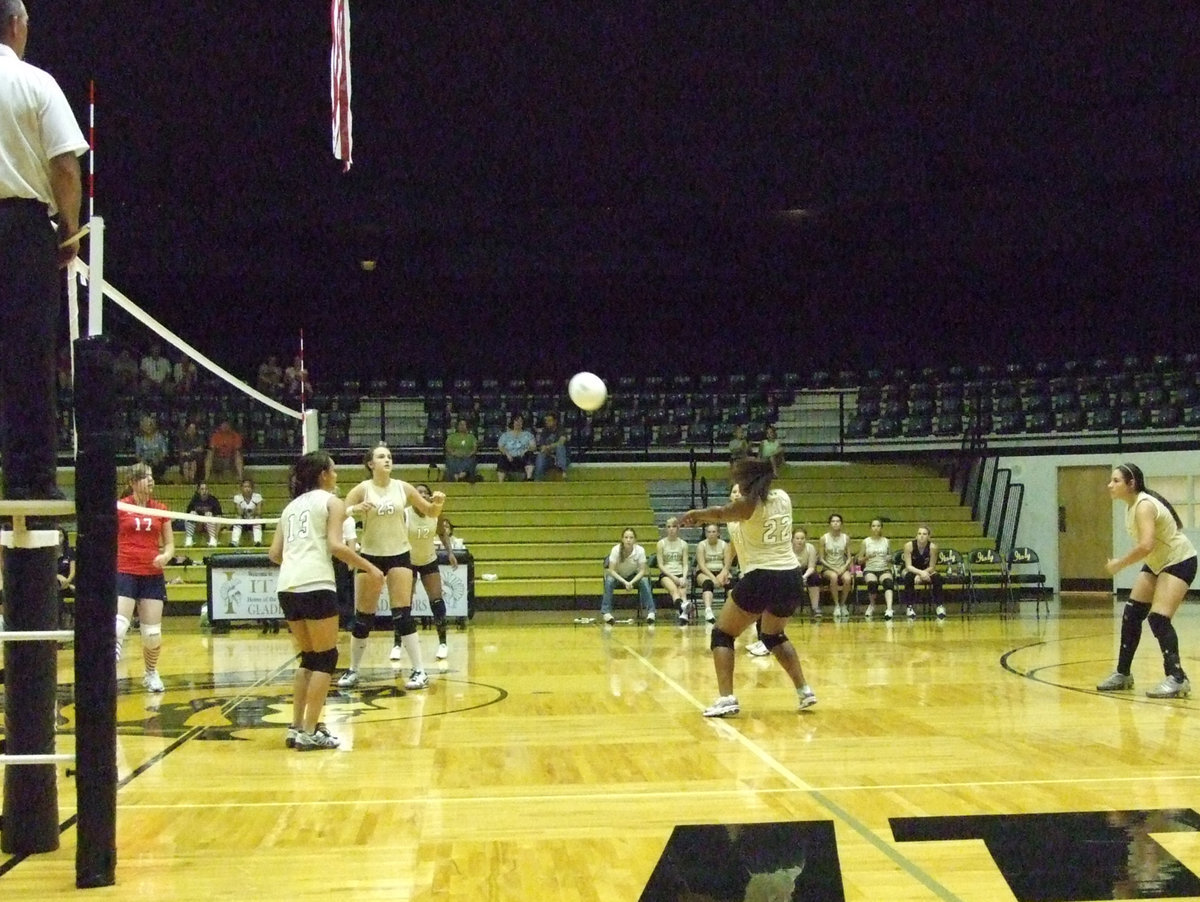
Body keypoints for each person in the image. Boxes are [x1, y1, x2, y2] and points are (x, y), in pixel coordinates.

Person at [0, 0, 88, 502]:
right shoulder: (37, 82)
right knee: (29, 359)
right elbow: (65, 168)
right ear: (16, 25)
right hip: (23, 230)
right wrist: (69, 230)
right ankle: (30, 483)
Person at [681, 456, 817, 716]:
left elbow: (722, 514)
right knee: (772, 635)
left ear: (748, 480)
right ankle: (804, 690)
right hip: (791, 577)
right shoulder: (783, 497)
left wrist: (696, 514)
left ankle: (726, 698)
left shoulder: (748, 506)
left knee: (722, 634)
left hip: (762, 576)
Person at [269, 450, 382, 751]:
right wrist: (370, 568)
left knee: (308, 657)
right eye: (333, 470)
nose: (337, 474)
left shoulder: (289, 508)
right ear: (323, 475)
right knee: (326, 658)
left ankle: (296, 727)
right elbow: (335, 545)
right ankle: (310, 730)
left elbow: (274, 554)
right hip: (316, 583)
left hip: (287, 586)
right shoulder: (332, 502)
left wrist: (298, 561)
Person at [338, 443, 445, 691]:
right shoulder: (363, 489)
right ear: (370, 464)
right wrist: (354, 509)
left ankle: (419, 671)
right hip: (370, 557)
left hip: (399, 555)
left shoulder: (402, 487)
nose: (387, 460)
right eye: (381, 457)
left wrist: (438, 503)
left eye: (389, 456)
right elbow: (340, 513)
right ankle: (353, 669)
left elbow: (430, 511)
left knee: (402, 614)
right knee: (363, 618)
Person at [1096, 463, 1197, 699]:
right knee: (1132, 613)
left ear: (1131, 484)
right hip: (1157, 563)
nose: (1110, 485)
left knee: (1158, 619)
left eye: (1116, 481)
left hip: (1179, 560)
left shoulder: (1144, 506)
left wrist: (1119, 564)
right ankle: (1123, 674)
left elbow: (1146, 546)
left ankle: (1177, 678)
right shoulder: (1131, 506)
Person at [115, 463, 175, 692]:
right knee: (118, 626)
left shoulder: (160, 509)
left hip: (151, 574)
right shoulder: (120, 507)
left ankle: (151, 673)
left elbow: (169, 545)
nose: (150, 480)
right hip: (125, 571)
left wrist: (165, 556)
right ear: (132, 482)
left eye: (151, 476)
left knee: (152, 634)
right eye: (144, 477)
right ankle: (108, 668)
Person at [391, 483, 456, 663]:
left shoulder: (435, 513)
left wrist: (450, 553)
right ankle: (397, 645)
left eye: (425, 492)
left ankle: (443, 643)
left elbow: (442, 533)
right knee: (403, 604)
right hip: (407, 561)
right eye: (418, 493)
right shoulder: (405, 514)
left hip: (428, 560)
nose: (422, 495)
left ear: (429, 496)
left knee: (437, 600)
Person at [600, 527, 655, 624]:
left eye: (631, 537)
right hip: (618, 576)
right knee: (609, 581)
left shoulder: (640, 550)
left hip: (633, 576)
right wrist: (625, 582)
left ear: (635, 540)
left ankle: (651, 612)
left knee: (645, 581)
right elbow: (611, 570)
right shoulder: (615, 550)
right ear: (622, 539)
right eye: (626, 537)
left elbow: (642, 571)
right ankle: (606, 612)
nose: (628, 540)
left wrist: (631, 582)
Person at [902, 526, 945, 619]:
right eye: (919, 533)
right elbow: (908, 566)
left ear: (928, 536)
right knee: (908, 577)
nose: (921, 536)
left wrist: (923, 574)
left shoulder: (933, 547)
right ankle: (909, 607)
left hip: (926, 570)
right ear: (916, 535)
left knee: (937, 578)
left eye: (924, 534)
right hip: (912, 569)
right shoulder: (908, 546)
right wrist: (920, 573)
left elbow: (932, 567)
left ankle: (939, 606)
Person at [694, 523, 733, 625]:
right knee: (708, 583)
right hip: (705, 571)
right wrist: (713, 578)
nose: (711, 534)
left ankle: (732, 611)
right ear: (706, 534)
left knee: (731, 583)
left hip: (721, 570)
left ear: (718, 533)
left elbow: (727, 564)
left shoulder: (724, 545)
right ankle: (708, 611)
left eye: (714, 532)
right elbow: (701, 565)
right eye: (709, 532)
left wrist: (722, 575)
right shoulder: (701, 545)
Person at [655, 517, 690, 624]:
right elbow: (660, 565)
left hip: (680, 573)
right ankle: (683, 610)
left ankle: (684, 614)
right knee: (674, 590)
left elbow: (685, 564)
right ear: (666, 529)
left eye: (674, 526)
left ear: (678, 528)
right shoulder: (661, 543)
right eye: (669, 527)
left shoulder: (683, 544)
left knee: (683, 592)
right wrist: (673, 577)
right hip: (667, 574)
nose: (671, 529)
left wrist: (684, 577)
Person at [819, 513, 854, 618]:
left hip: (842, 567)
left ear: (841, 524)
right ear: (830, 524)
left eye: (838, 521)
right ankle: (836, 605)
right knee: (833, 577)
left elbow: (849, 557)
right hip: (828, 568)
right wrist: (833, 568)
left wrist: (844, 567)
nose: (835, 523)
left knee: (847, 579)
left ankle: (843, 604)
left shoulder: (846, 538)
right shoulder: (824, 538)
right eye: (833, 521)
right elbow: (821, 559)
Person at [858, 518, 894, 619]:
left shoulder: (886, 541)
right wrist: (867, 557)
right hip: (870, 569)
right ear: (870, 528)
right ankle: (872, 605)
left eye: (878, 526)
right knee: (872, 583)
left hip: (883, 568)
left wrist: (889, 558)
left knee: (888, 582)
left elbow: (891, 557)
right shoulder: (866, 542)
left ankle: (889, 608)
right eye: (873, 526)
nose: (876, 528)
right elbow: (859, 560)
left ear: (881, 528)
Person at [793, 527, 822, 619]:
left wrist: (804, 577)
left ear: (806, 539)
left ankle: (815, 607)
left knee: (815, 577)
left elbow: (811, 567)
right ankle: (786, 608)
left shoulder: (810, 548)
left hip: (806, 570)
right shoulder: (788, 549)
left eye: (802, 538)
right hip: (792, 570)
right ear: (792, 539)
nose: (800, 541)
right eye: (797, 538)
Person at [496, 414, 535, 482]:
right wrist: (507, 454)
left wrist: (526, 450)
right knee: (502, 457)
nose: (518, 423)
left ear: (522, 423)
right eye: (516, 421)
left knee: (529, 455)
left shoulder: (528, 435)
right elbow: (500, 447)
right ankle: (500, 482)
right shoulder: (505, 435)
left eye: (520, 421)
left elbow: (533, 446)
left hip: (522, 458)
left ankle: (529, 479)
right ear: (513, 422)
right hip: (509, 458)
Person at [184, 481, 222, 547]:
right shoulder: (194, 500)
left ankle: (212, 539)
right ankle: (189, 539)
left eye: (206, 489)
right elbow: (187, 516)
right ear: (198, 490)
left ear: (208, 490)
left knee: (208, 514)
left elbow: (219, 518)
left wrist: (216, 536)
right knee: (192, 514)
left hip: (210, 526)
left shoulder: (213, 500)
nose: (204, 491)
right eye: (202, 489)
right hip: (198, 526)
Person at [133, 414, 170, 482]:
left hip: (157, 462)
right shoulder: (139, 439)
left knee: (159, 465)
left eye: (150, 425)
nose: (148, 427)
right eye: (145, 425)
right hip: (145, 462)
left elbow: (165, 452)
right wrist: (142, 461)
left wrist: (158, 458)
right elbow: (137, 455)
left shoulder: (160, 438)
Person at [533, 412, 569, 480]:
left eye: (549, 420)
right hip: (549, 457)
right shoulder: (544, 431)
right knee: (541, 455)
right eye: (546, 420)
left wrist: (549, 447)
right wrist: (547, 449)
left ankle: (562, 472)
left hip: (563, 458)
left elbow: (561, 442)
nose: (547, 422)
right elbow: (542, 447)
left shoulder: (561, 429)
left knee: (560, 448)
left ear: (555, 421)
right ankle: (537, 479)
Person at [230, 477, 263, 546]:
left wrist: (248, 511)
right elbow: (239, 512)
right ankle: (234, 541)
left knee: (257, 519)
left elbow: (259, 512)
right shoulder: (237, 498)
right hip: (243, 521)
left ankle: (258, 541)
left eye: (249, 487)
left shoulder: (258, 497)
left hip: (254, 520)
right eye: (245, 487)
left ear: (252, 488)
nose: (247, 489)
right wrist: (251, 511)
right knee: (238, 519)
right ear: (241, 488)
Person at [443, 418, 479, 483]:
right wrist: (454, 453)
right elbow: (447, 447)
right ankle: (457, 475)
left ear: (467, 426)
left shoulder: (472, 437)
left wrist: (469, 454)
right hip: (454, 456)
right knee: (450, 459)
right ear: (457, 426)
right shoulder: (452, 437)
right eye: (460, 424)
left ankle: (462, 474)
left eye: (464, 424)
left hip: (467, 457)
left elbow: (475, 448)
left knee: (471, 460)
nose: (462, 426)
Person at [176, 420, 206, 484]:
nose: (192, 430)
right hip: (186, 458)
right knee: (186, 464)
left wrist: (191, 452)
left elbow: (200, 449)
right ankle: (187, 481)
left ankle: (193, 480)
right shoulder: (183, 439)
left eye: (193, 429)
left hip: (196, 457)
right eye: (190, 428)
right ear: (187, 430)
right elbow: (181, 452)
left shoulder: (199, 437)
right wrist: (189, 453)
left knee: (194, 463)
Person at [56, 528, 74, 627]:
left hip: (68, 584)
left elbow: (73, 571)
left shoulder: (69, 551)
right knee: (56, 592)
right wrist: (57, 576)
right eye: (56, 536)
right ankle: (60, 623)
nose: (58, 539)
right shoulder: (47, 552)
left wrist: (68, 581)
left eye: (60, 536)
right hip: (54, 584)